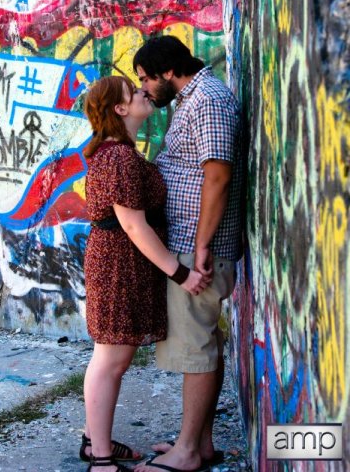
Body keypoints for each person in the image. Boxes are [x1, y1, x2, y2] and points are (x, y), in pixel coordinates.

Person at [80, 75, 210, 472]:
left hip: (124, 264)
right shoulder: (118, 157)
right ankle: (100, 457)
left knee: (114, 358)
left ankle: (94, 440)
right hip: (118, 266)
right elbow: (134, 226)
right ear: (120, 109)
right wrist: (181, 273)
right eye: (135, 93)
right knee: (111, 360)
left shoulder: (121, 153)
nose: (143, 93)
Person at [132, 36, 243, 472]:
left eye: (145, 78)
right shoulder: (194, 99)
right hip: (194, 242)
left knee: (195, 347)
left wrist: (199, 246)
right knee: (204, 345)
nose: (145, 88)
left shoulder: (209, 101)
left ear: (166, 71)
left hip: (200, 249)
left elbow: (217, 176)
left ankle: (189, 452)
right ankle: (199, 442)